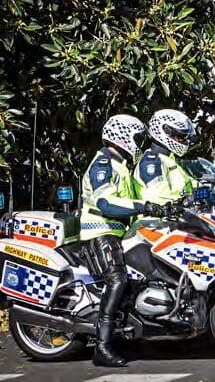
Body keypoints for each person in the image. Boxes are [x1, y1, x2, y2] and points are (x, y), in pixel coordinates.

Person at [80, 115, 164, 367]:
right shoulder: (103, 164)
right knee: (117, 280)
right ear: (123, 136)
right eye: (137, 138)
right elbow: (106, 203)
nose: (140, 143)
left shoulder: (121, 165)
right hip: (99, 233)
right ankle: (102, 347)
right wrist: (143, 205)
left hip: (121, 235)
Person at [134, 109, 197, 203]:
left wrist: (213, 186)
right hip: (158, 217)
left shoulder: (169, 159)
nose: (185, 141)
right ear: (165, 132)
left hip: (181, 215)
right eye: (181, 136)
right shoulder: (151, 162)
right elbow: (159, 198)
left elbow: (189, 184)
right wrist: (187, 200)